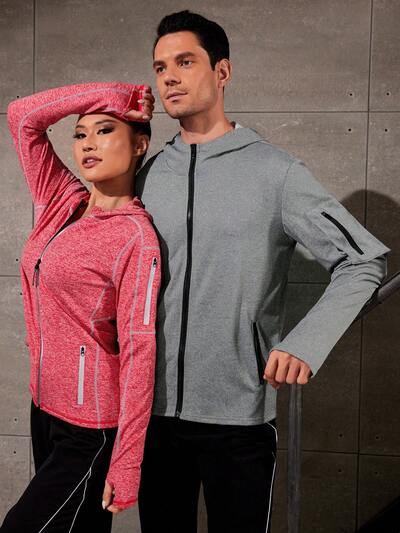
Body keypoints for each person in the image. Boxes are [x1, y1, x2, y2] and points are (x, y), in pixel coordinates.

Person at [134, 10, 392, 533]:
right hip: (148, 412)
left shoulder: (276, 173)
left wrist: (305, 342)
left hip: (238, 418)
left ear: (222, 72)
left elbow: (363, 260)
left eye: (185, 62)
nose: (170, 78)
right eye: (160, 68)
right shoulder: (147, 175)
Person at [1, 82, 160, 533]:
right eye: (80, 133)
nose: (88, 143)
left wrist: (127, 462)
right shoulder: (60, 198)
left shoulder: (136, 237)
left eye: (105, 130)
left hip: (90, 428)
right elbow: (23, 116)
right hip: (44, 407)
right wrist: (111, 93)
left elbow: (139, 351)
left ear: (139, 144)